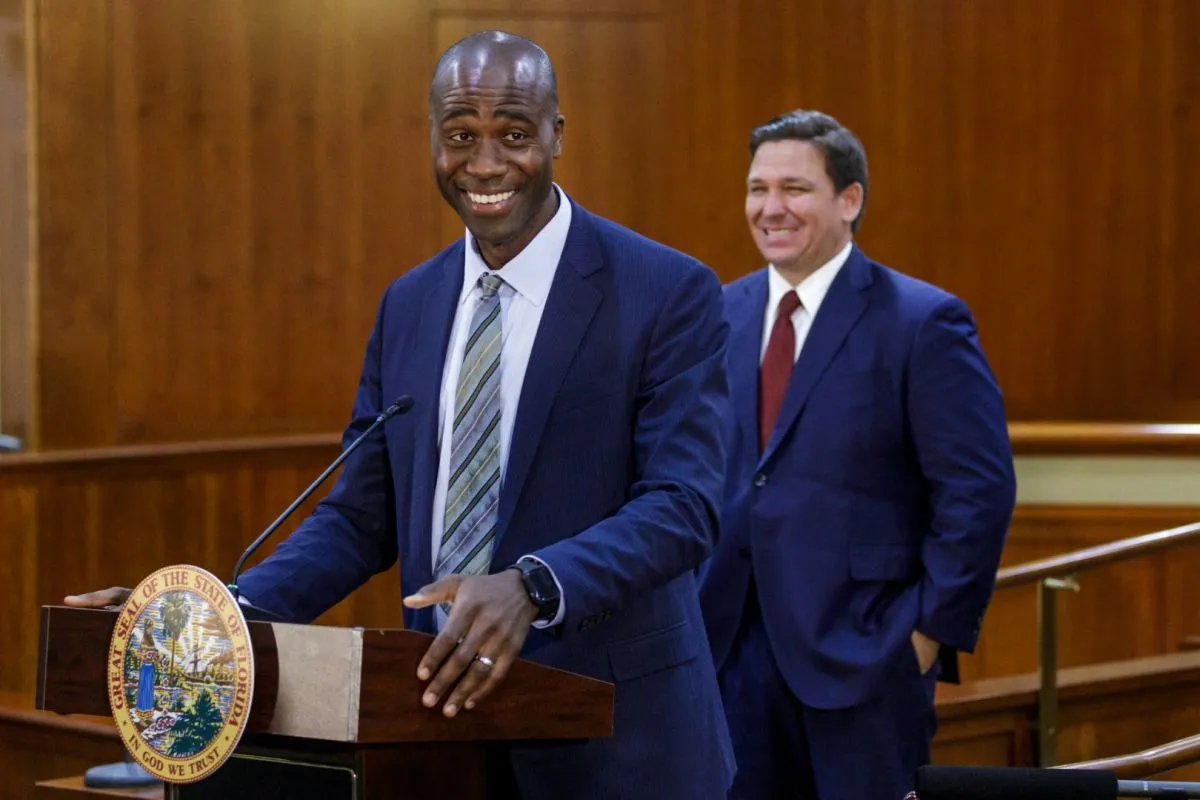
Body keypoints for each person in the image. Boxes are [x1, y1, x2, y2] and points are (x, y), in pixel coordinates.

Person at [67, 30, 734, 799]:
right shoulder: (410, 304)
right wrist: (213, 618)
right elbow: (360, 518)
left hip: (618, 744)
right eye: (461, 136)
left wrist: (533, 586)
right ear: (433, 140)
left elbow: (684, 505)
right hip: (438, 737)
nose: (486, 164)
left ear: (557, 133)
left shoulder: (666, 291)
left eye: (515, 135)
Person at [697, 109, 1016, 800]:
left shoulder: (922, 320)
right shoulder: (717, 315)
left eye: (794, 189)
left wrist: (926, 635)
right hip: (728, 656)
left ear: (849, 200)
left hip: (864, 657)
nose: (770, 208)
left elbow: (978, 491)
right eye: (757, 189)